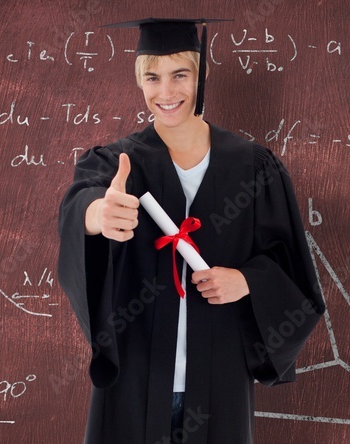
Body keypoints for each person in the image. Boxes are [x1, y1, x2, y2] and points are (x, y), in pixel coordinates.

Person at [57, 18, 324, 444]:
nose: (166, 93)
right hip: (137, 379)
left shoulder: (252, 167)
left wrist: (247, 281)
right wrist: (98, 215)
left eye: (180, 75)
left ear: (200, 77)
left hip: (219, 385)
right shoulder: (117, 163)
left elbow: (293, 271)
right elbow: (80, 206)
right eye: (152, 77)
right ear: (140, 82)